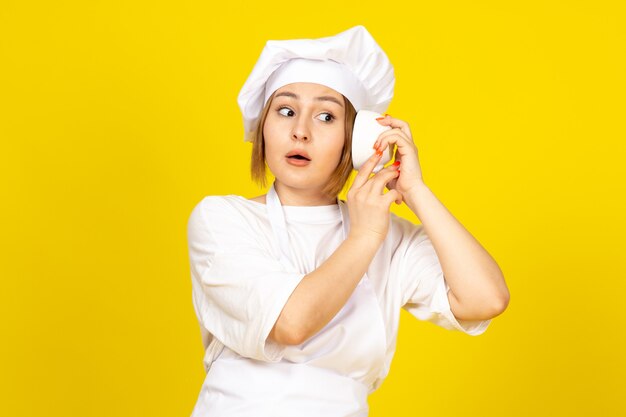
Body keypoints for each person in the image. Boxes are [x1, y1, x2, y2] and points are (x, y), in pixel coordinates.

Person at [187, 25, 509, 416]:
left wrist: (417, 191)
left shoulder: (391, 239)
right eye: (285, 111)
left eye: (326, 116)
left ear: (355, 139)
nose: (300, 132)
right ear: (263, 129)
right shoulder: (223, 219)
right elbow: (291, 323)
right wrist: (366, 235)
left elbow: (486, 298)